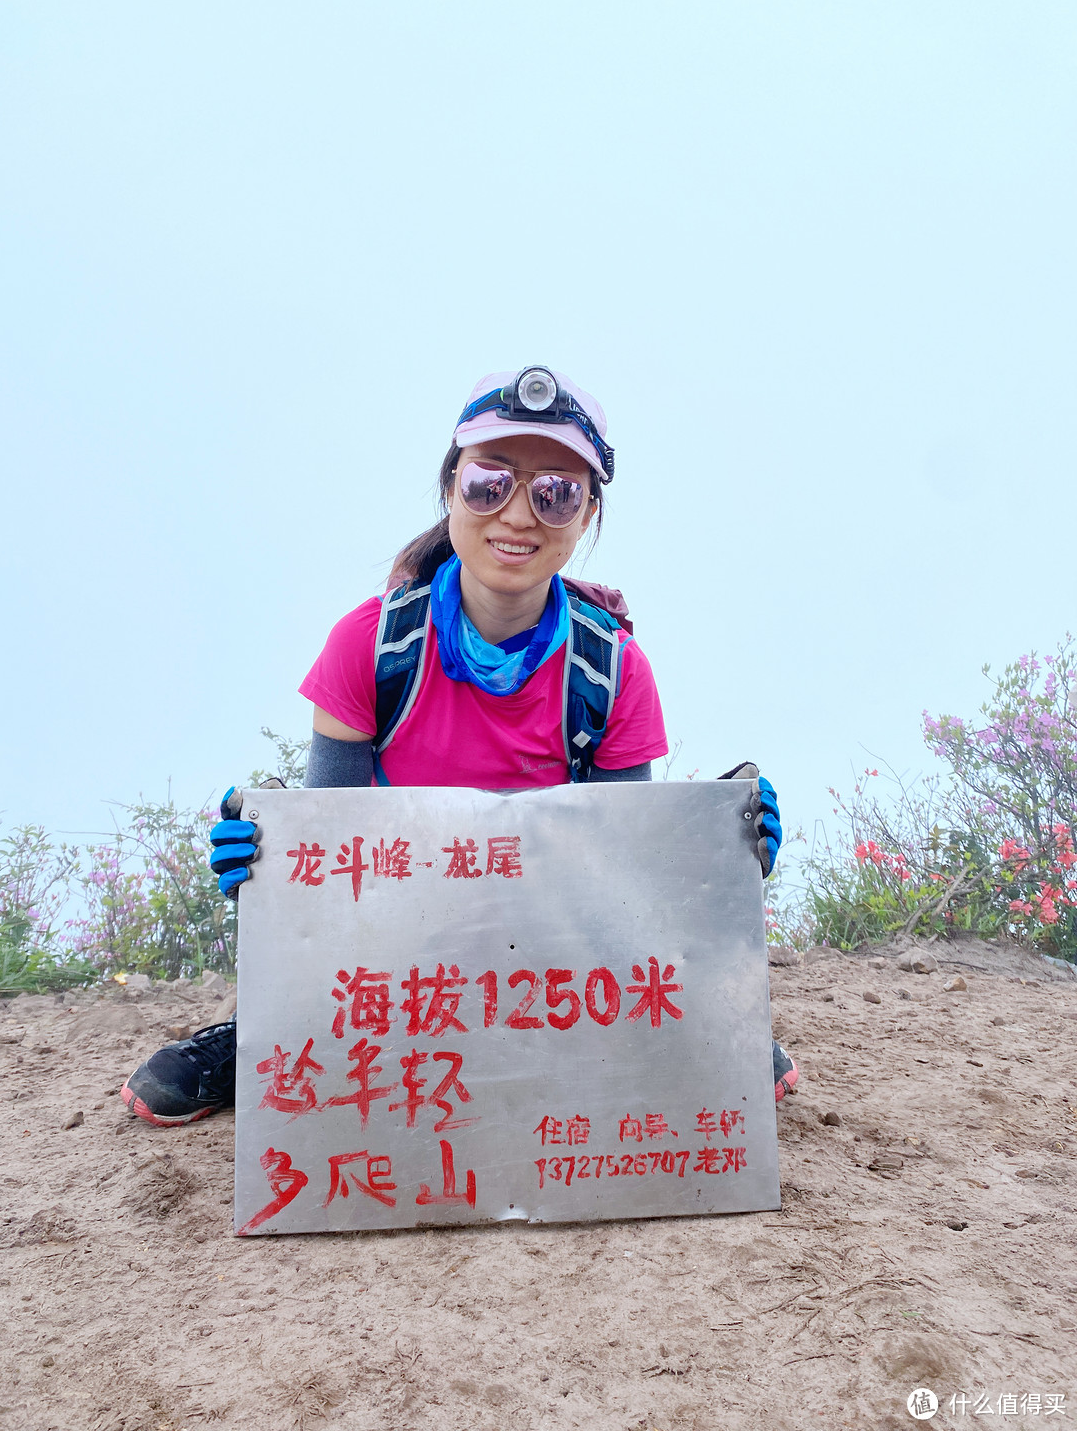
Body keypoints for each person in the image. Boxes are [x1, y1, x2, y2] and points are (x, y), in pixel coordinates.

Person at [121, 366, 798, 1126]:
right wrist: (272, 864)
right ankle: (263, 1039)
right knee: (339, 984)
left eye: (556, 492)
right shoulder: (370, 646)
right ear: (450, 492)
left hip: (552, 946)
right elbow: (335, 845)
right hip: (398, 941)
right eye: (489, 483)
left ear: (586, 517)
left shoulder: (613, 671)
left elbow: (623, 873)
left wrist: (713, 854)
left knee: (686, 1018)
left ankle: (679, 1031)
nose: (518, 514)